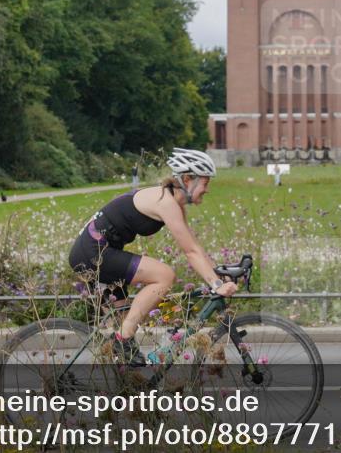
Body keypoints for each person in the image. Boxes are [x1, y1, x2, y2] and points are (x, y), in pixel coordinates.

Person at [69, 148, 238, 366]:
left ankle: (127, 385)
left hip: (99, 252)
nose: (207, 189)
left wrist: (218, 273)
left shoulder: (171, 201)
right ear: (187, 179)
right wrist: (215, 284)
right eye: (205, 183)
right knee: (164, 276)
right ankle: (121, 340)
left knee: (128, 351)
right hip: (93, 253)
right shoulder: (165, 202)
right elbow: (190, 252)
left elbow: (193, 245)